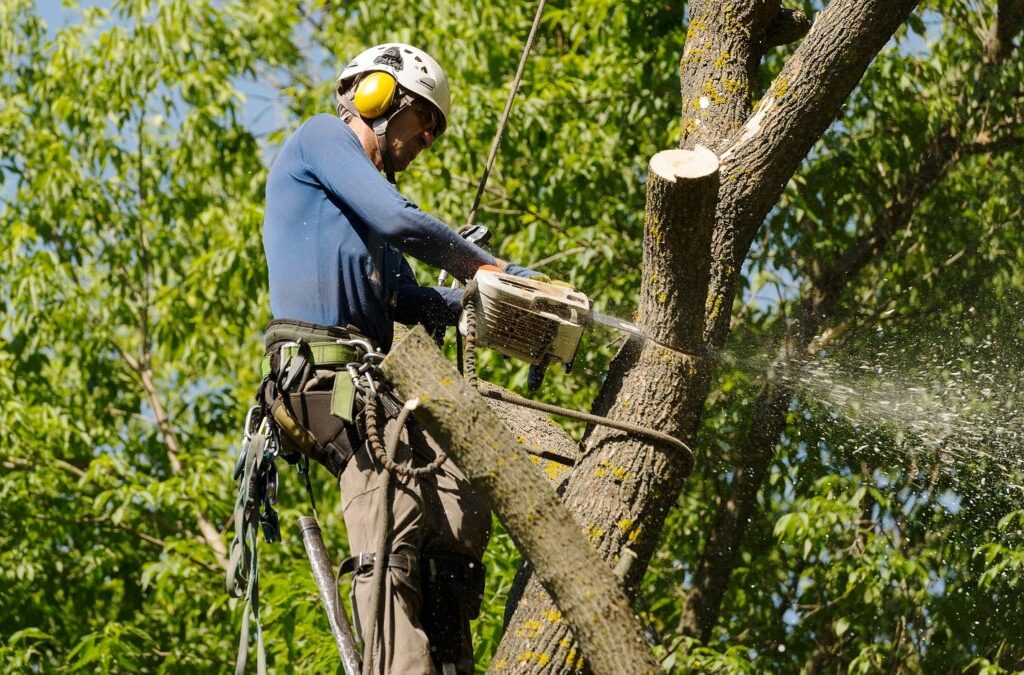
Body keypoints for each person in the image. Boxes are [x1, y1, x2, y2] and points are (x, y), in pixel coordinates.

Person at [260, 42, 540, 675]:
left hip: (372, 381)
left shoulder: (365, 231)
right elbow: (396, 219)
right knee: (396, 508)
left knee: (457, 498)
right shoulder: (322, 140)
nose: (426, 143)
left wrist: (477, 296)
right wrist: (488, 268)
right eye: (424, 124)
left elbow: (413, 298)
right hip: (326, 374)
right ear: (380, 99)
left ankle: (447, 660)